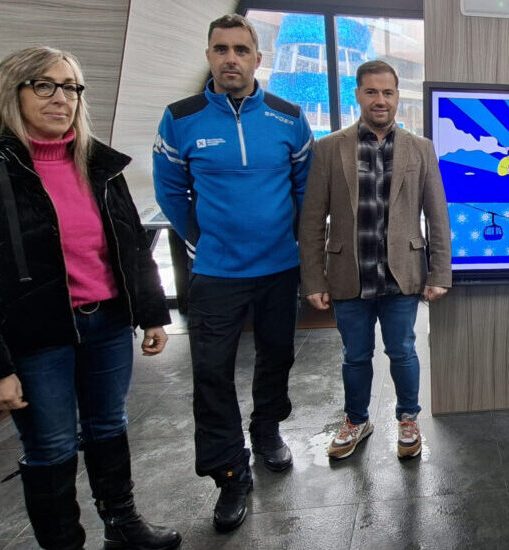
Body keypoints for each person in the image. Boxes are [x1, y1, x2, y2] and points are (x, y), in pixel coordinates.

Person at [0, 46, 180, 550]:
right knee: (51, 443)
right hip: (36, 335)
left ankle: (122, 524)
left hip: (107, 323)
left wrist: (152, 314)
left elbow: (129, 244)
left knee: (109, 424)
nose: (61, 98)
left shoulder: (98, 164)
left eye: (71, 87)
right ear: (10, 91)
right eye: (44, 85)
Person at [152, 14, 314, 533]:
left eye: (241, 50)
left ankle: (267, 430)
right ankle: (229, 474)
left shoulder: (289, 118)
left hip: (279, 267)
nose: (231, 59)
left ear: (257, 59)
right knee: (212, 372)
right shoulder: (181, 118)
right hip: (216, 273)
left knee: (277, 355)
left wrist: (293, 241)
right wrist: (201, 240)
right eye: (221, 49)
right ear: (208, 56)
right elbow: (169, 190)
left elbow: (305, 189)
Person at [300, 60, 451, 461]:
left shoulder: (421, 148)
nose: (380, 100)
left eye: (387, 92)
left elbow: (437, 215)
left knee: (402, 351)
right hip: (349, 273)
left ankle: (408, 418)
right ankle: (356, 420)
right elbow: (312, 219)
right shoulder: (329, 148)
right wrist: (313, 279)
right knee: (355, 355)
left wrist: (439, 273)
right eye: (371, 92)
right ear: (358, 95)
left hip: (402, 275)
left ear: (397, 96)